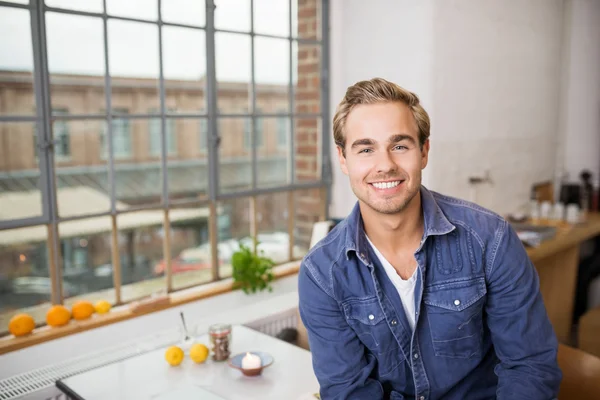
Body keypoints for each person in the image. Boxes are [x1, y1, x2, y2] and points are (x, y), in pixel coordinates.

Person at [298, 78, 562, 399]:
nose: (385, 165)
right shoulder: (321, 273)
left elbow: (529, 367)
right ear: (343, 159)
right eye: (366, 149)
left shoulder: (491, 241)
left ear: (423, 151)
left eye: (400, 146)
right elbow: (348, 390)